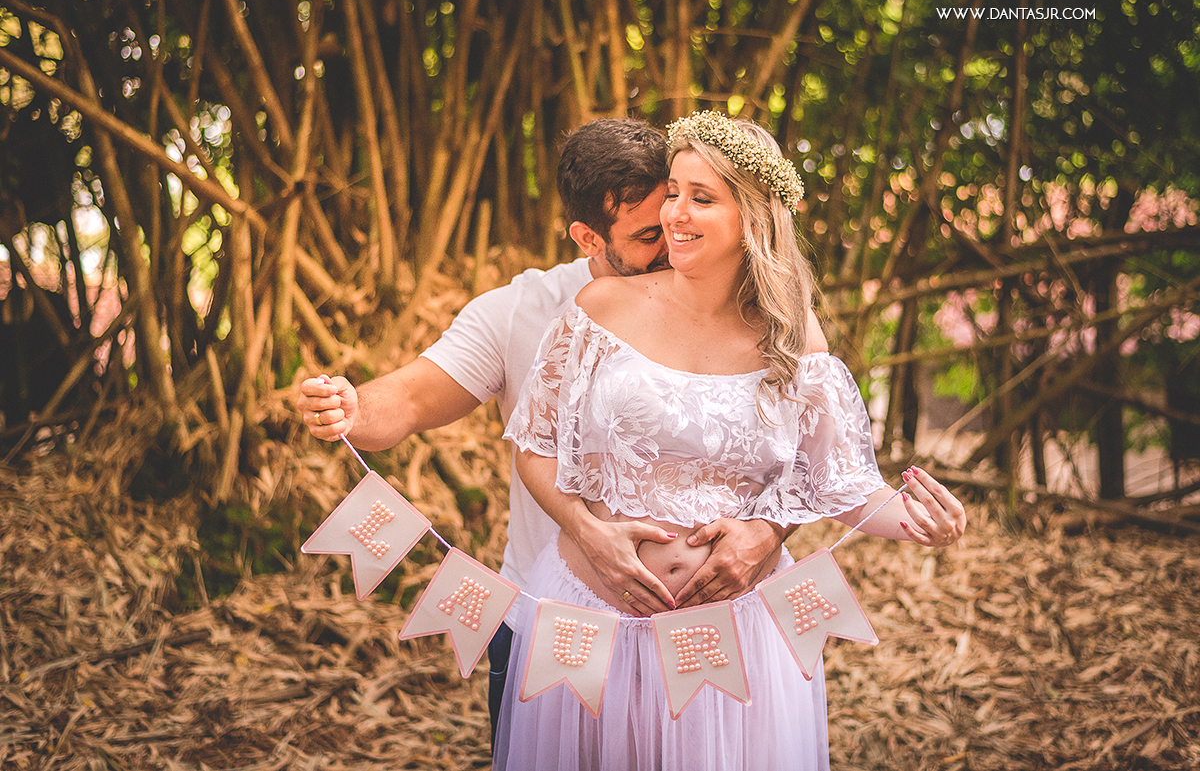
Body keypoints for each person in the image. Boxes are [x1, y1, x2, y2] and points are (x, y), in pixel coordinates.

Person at [295, 118, 824, 747]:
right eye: (649, 234)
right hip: (560, 629)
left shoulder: (744, 312)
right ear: (586, 236)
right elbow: (410, 398)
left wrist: (768, 533)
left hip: (715, 638)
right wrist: (353, 407)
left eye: (683, 209)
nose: (672, 243)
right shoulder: (526, 309)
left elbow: (806, 459)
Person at [495, 111, 967, 770]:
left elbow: (843, 488)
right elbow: (534, 444)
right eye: (674, 193)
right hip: (589, 622)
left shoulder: (794, 338)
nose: (674, 214)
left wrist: (920, 522)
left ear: (753, 218)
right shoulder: (602, 309)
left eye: (701, 197)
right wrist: (587, 529)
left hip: (734, 643)